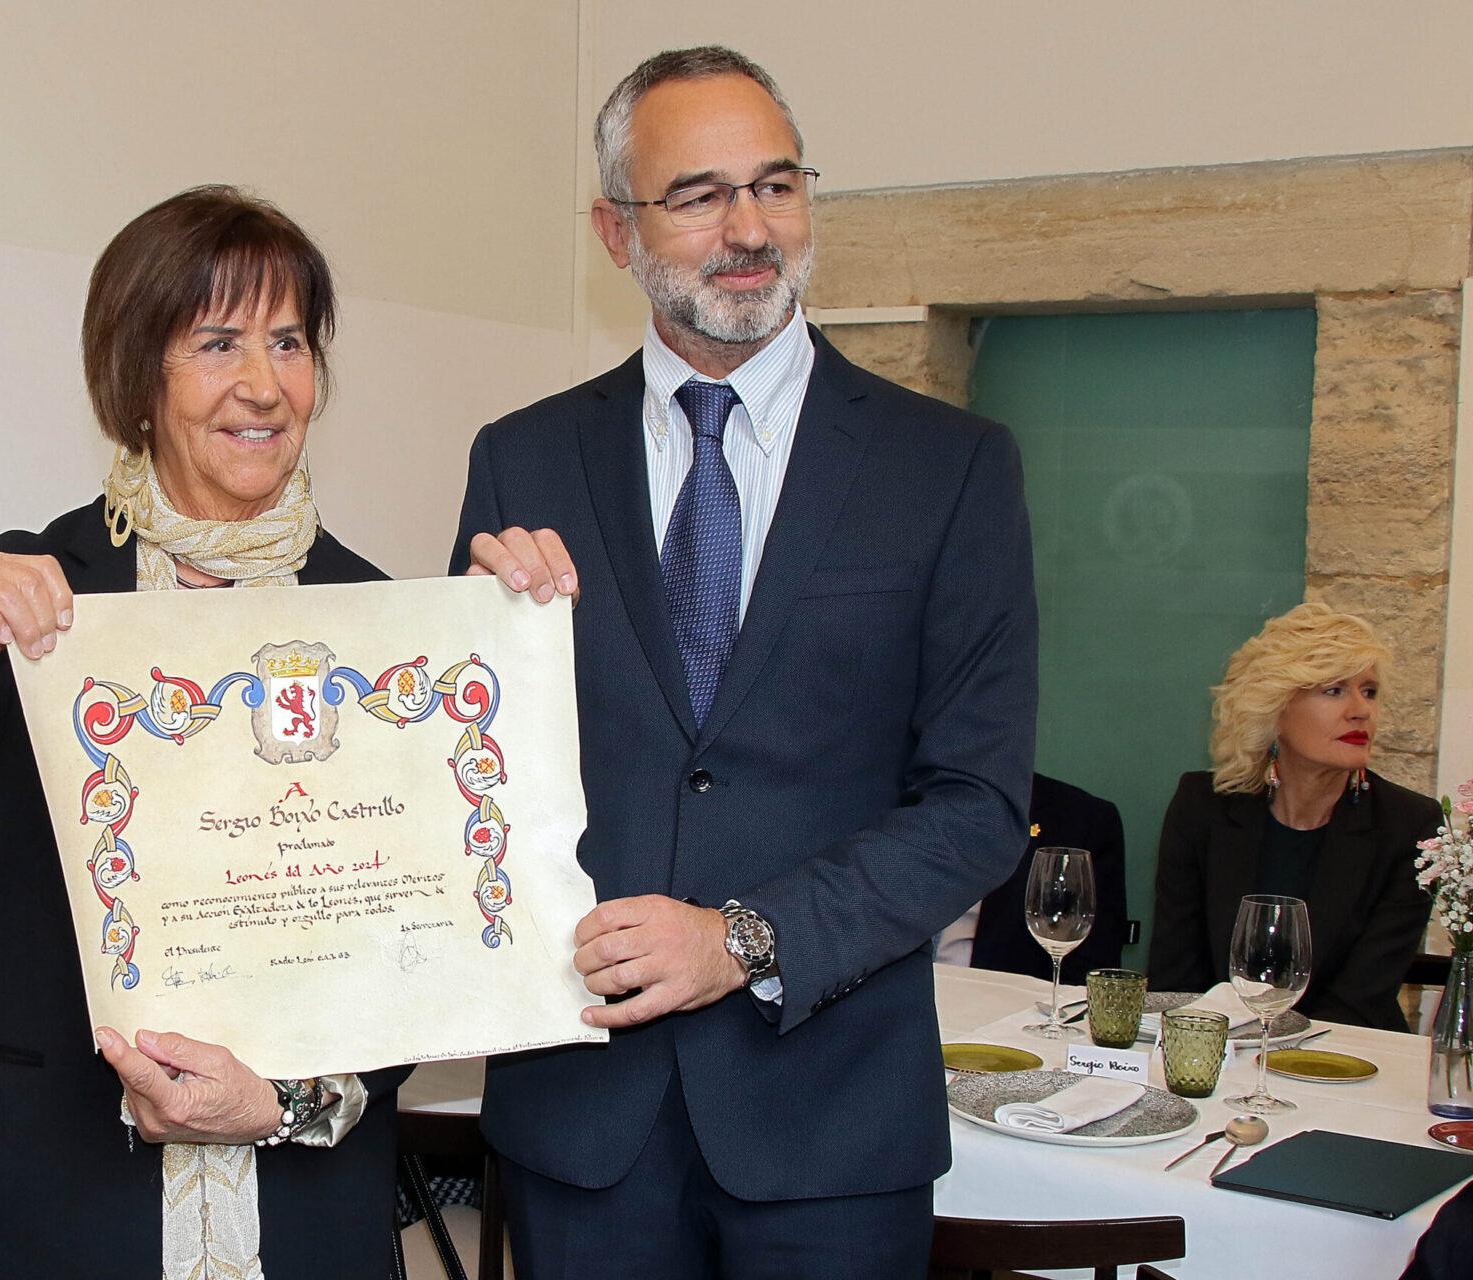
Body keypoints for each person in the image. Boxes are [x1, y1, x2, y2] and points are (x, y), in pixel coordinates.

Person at [0, 187, 415, 1278]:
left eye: (289, 341)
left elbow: (415, 956)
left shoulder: (380, 625)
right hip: (56, 1195)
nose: (264, 383)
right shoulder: (22, 602)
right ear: (136, 374)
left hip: (303, 1211)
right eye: (218, 342)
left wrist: (277, 1100)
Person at [451, 46, 1038, 1279]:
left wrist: (744, 937)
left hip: (830, 1126)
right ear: (617, 230)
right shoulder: (523, 461)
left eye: (777, 184)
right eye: (701, 194)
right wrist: (472, 653)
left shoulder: (951, 469)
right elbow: (478, 781)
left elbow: (979, 807)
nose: (749, 227)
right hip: (584, 1124)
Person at [1149, 601, 1437, 1031]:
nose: (1361, 710)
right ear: (1275, 709)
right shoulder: (1202, 806)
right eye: (1334, 690)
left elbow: (1361, 997)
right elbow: (1176, 977)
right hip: (1213, 1051)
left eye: (1369, 691)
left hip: (1341, 1057)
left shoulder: (1410, 824)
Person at [939, 773, 1130, 983]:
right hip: (901, 1000)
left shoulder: (1080, 819)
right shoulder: (901, 803)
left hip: (1004, 1005)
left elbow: (1091, 978)